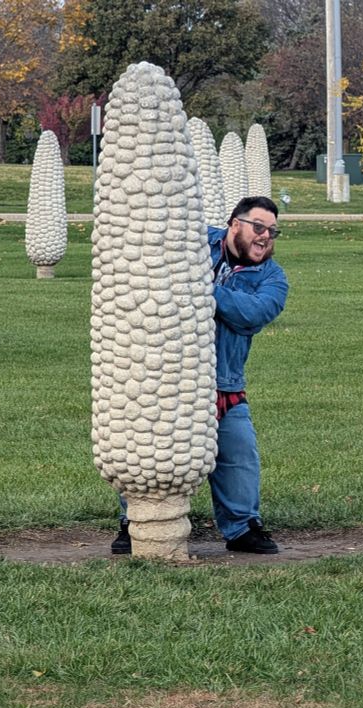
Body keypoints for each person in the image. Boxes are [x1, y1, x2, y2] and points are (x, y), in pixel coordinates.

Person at [112, 196, 290, 555]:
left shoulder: (272, 278)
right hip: (167, 375)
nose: (265, 236)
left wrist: (199, 288)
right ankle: (136, 523)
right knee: (151, 447)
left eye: (272, 231)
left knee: (239, 456)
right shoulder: (192, 244)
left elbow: (252, 314)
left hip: (224, 384)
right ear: (234, 224)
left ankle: (242, 527)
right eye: (259, 227)